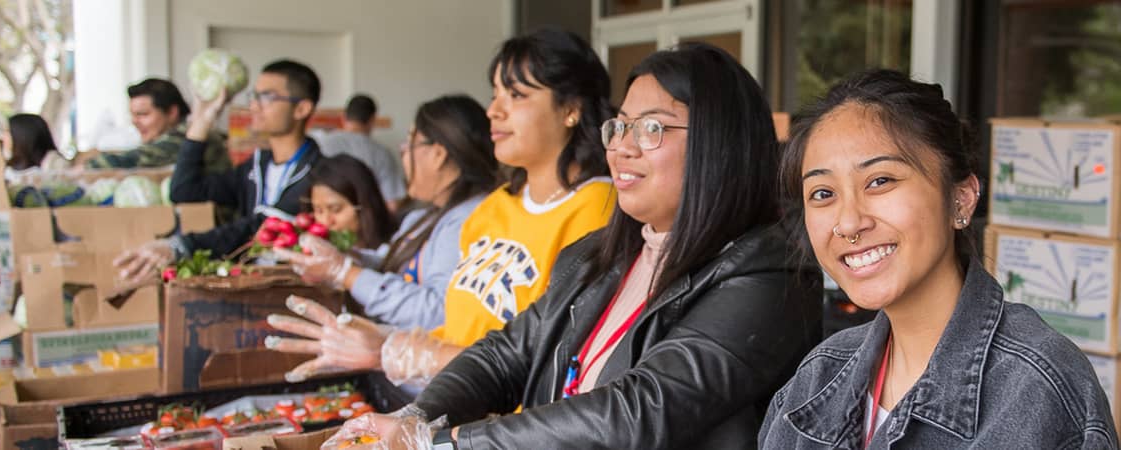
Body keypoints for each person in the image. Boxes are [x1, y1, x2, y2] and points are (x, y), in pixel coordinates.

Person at [317, 42, 822, 450]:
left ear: (720, 143)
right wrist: (416, 417)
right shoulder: (596, 255)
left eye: (651, 128)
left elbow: (640, 410)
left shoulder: (768, 275)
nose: (621, 146)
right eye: (620, 125)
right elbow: (504, 354)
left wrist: (445, 443)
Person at [758, 70, 1118, 448]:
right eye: (822, 193)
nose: (848, 223)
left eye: (880, 181)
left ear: (961, 199)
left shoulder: (1035, 388)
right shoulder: (818, 378)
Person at [262, 28, 616, 385]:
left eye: (516, 95)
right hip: (458, 402)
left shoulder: (597, 208)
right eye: (494, 94)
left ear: (571, 109)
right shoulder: (494, 207)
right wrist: (391, 344)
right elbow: (459, 328)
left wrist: (392, 349)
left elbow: (548, 356)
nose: (494, 111)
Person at [270, 95, 497, 332]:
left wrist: (345, 273)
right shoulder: (424, 217)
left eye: (409, 144)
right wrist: (344, 258)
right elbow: (391, 263)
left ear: (438, 154)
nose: (403, 154)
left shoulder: (468, 220)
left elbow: (438, 312)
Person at [114, 60, 326, 281]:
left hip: (295, 286)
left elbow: (261, 226)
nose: (254, 106)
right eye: (254, 96)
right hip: (249, 284)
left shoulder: (320, 174)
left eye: (267, 97)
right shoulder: (254, 168)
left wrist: (181, 246)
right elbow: (184, 191)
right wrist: (201, 122)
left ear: (301, 109)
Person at [85, 78, 230, 173]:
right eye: (133, 115)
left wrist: (88, 162)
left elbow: (135, 158)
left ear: (172, 112)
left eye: (143, 114)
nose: (134, 121)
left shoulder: (186, 136)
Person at [317, 95, 408, 212]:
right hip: (365, 218)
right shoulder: (382, 153)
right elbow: (392, 204)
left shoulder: (321, 143)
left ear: (344, 117)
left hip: (324, 215)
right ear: (372, 120)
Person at [300, 154, 395, 250]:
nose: (326, 221)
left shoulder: (395, 246)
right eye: (319, 210)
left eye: (336, 210)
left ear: (364, 204)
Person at [2, 113, 70, 179]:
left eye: (8, 132)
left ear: (22, 135)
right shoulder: (10, 167)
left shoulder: (55, 164)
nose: (3, 137)